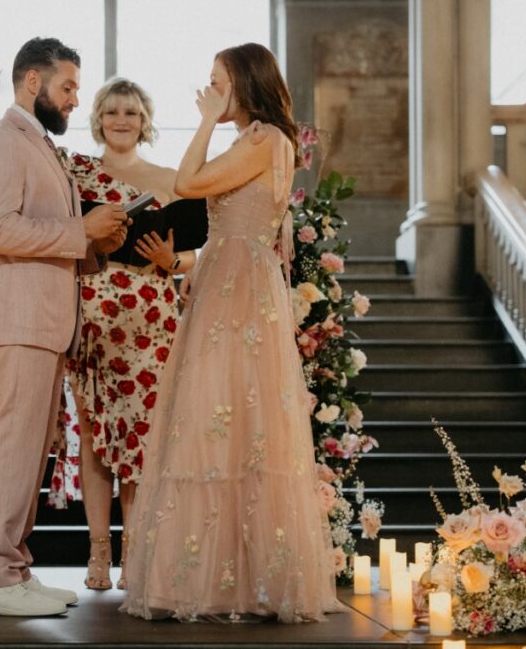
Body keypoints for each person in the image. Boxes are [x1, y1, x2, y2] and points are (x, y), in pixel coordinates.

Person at [119, 43, 341, 623]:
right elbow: (230, 230)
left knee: (235, 421)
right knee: (216, 421)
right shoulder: (252, 141)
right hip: (225, 277)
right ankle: (219, 577)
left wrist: (201, 121)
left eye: (217, 83)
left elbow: (188, 181)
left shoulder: (266, 138)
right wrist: (177, 261)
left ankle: (244, 581)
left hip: (239, 290)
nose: (209, 92)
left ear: (243, 84)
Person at [0, 37, 127, 617]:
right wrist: (83, 231)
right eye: (68, 87)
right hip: (18, 318)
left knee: (32, 451)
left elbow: (45, 231)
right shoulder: (1, 142)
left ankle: (13, 570)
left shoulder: (40, 146)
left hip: (44, 320)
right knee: (14, 446)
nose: (76, 100)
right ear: (33, 82)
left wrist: (96, 241)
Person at [53, 78, 198, 592]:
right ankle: (98, 553)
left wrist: (170, 260)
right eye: (112, 111)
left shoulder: (169, 178)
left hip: (152, 319)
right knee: (94, 437)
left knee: (140, 439)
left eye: (131, 113)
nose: (121, 120)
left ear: (144, 121)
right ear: (97, 118)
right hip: (94, 312)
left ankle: (136, 553)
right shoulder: (75, 174)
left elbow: (192, 255)